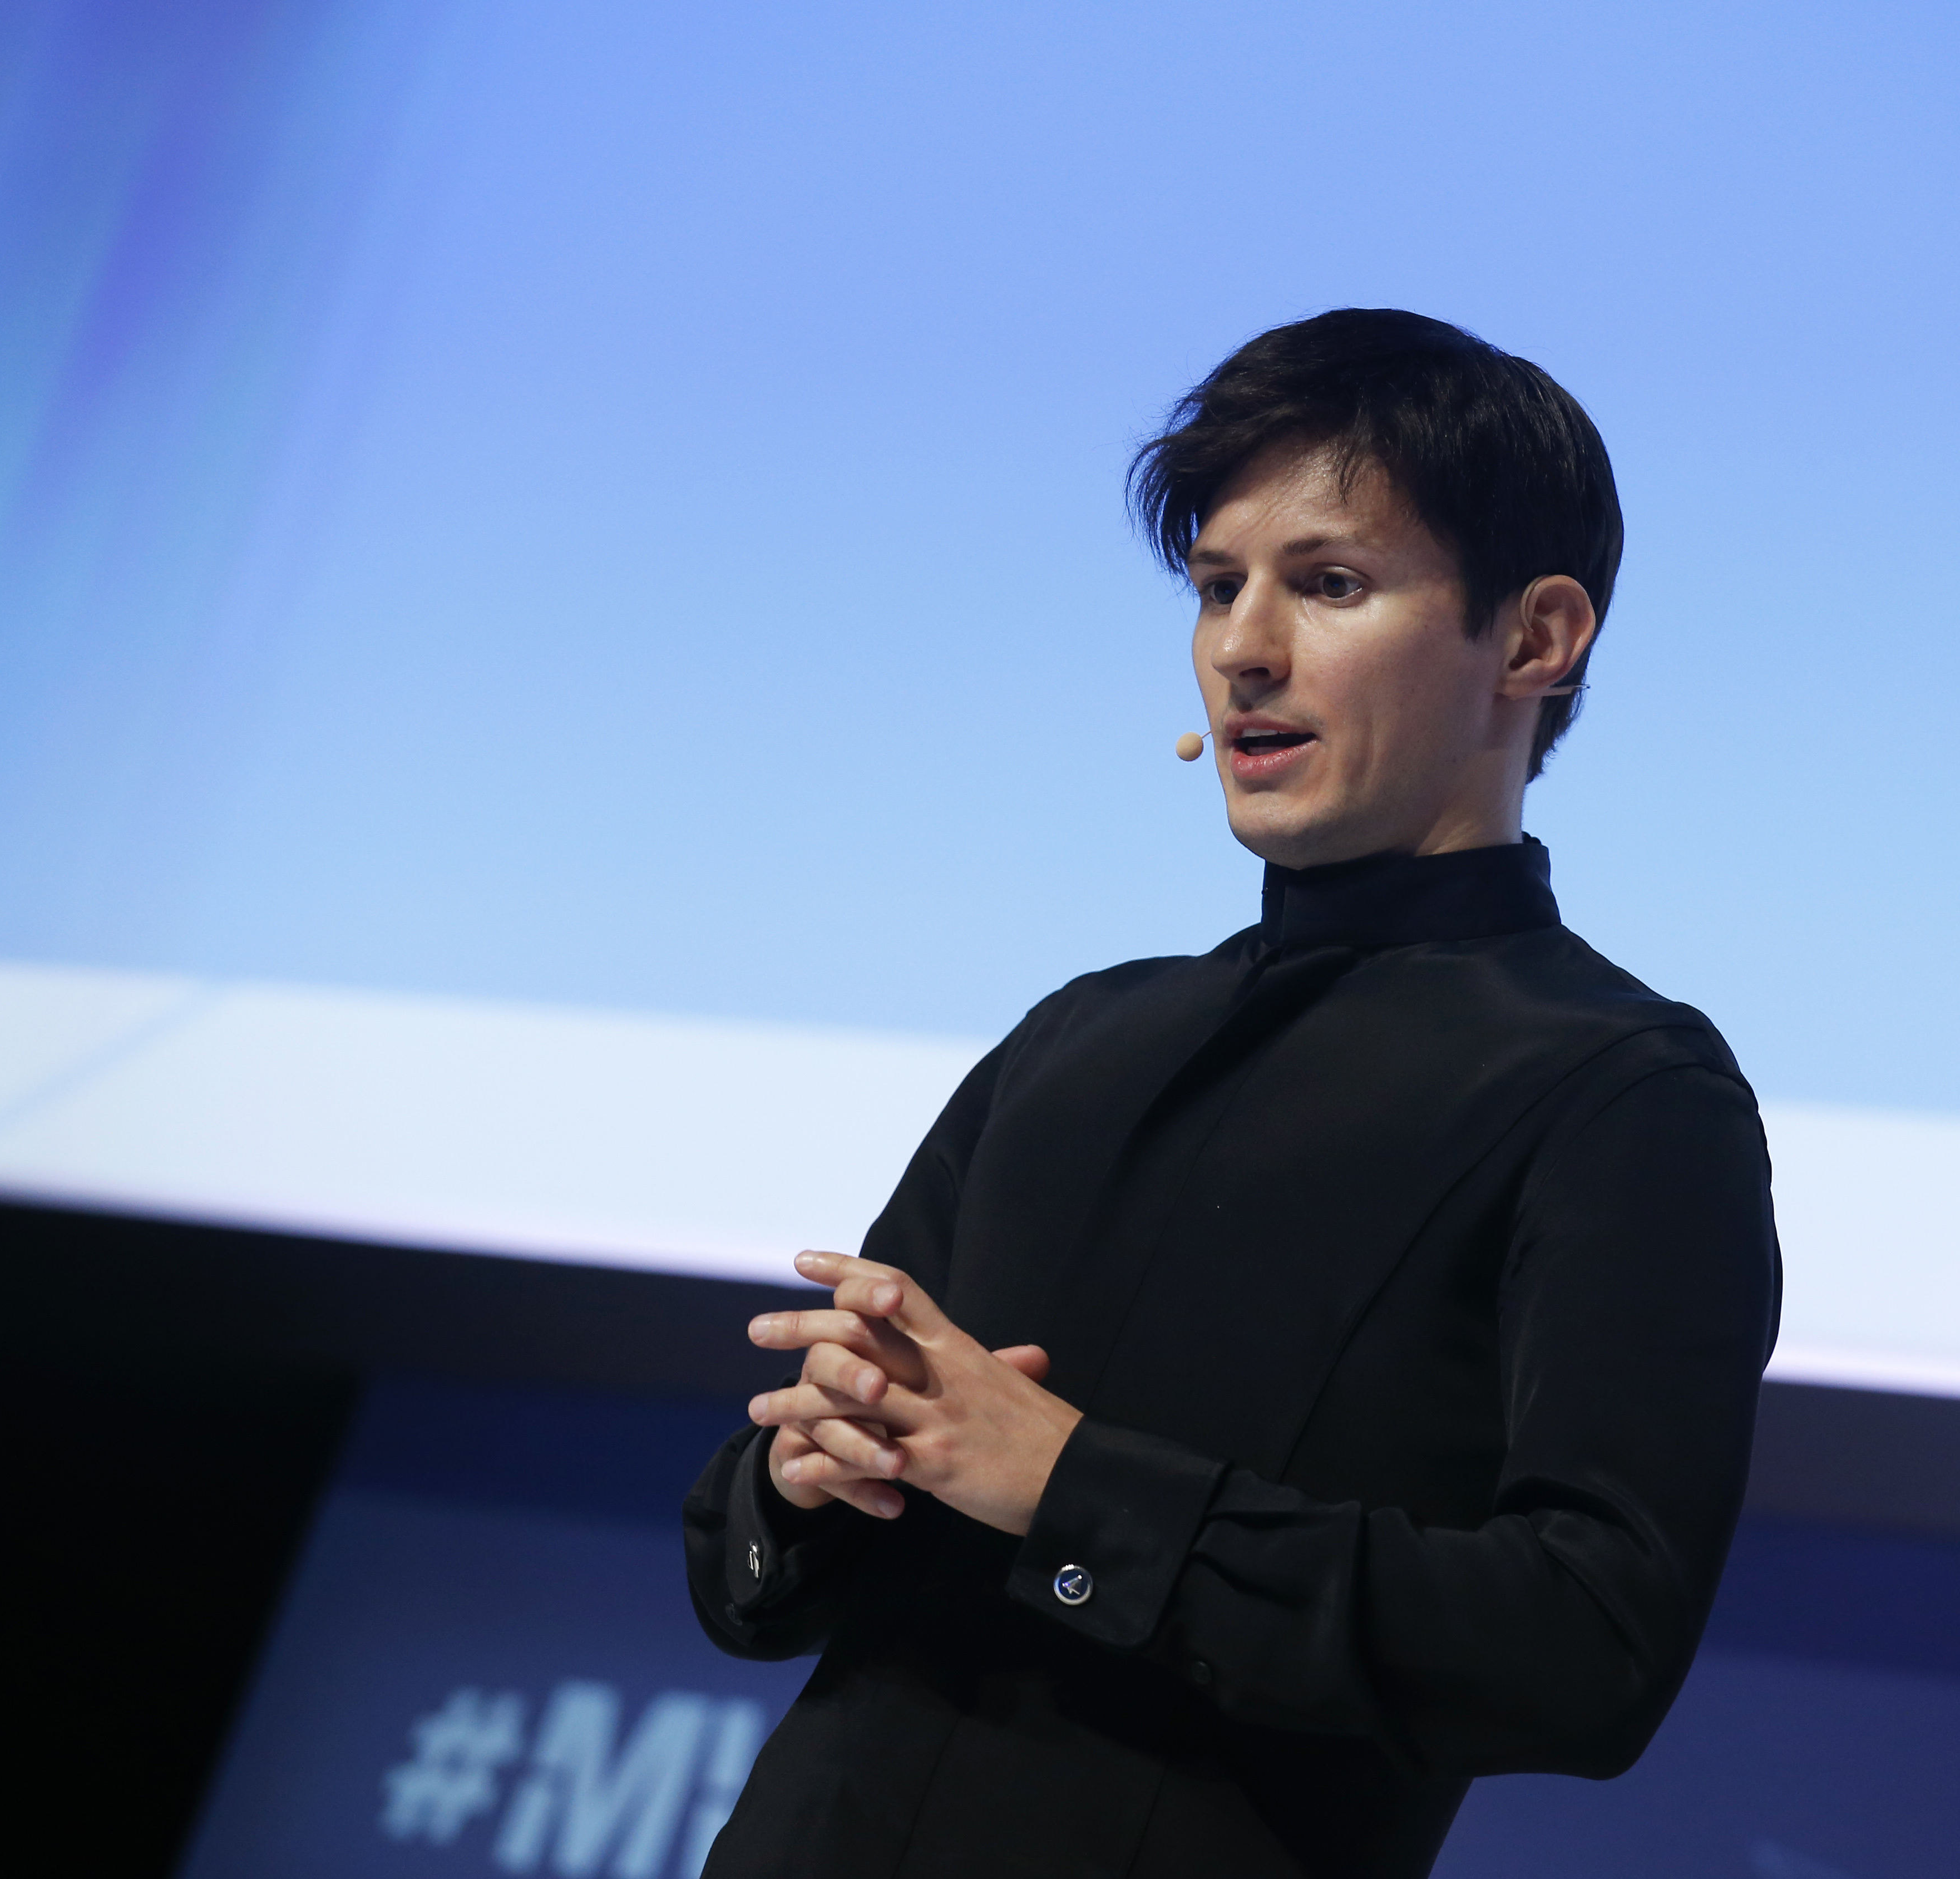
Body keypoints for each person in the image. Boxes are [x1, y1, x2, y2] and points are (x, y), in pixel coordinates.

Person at [683, 308, 1781, 1878]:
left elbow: (1587, 1645)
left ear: (1535, 639)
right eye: (1215, 587)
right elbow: (745, 1578)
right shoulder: (1078, 1037)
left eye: (1329, 583)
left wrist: (1068, 1492)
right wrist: (807, 1477)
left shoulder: (1622, 1093)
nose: (1244, 648)